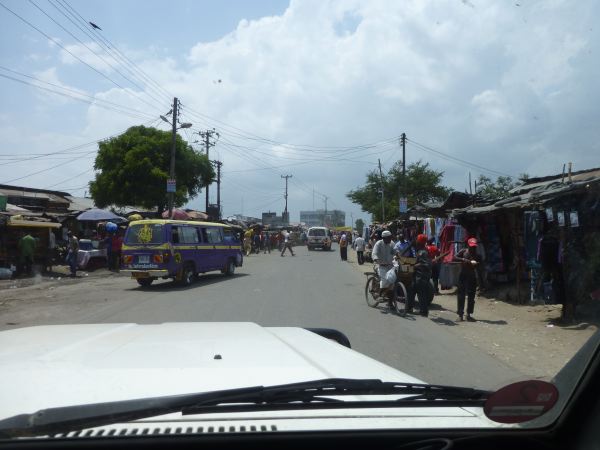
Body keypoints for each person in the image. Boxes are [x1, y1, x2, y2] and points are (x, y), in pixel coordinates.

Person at [453, 237, 481, 321]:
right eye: (472, 246)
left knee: (471, 296)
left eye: (474, 246)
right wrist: (464, 260)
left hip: (472, 276)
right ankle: (460, 314)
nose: (473, 248)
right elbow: (455, 257)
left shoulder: (477, 255)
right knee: (461, 295)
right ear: (468, 245)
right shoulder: (464, 251)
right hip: (463, 275)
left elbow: (480, 265)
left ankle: (468, 314)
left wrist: (476, 263)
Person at [408, 234, 433, 317]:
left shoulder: (422, 252)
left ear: (420, 242)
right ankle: (410, 308)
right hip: (420, 275)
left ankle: (423, 311)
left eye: (417, 240)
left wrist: (415, 266)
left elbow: (426, 264)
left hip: (421, 275)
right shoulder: (422, 250)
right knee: (413, 290)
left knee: (420, 292)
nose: (416, 242)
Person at [371, 230, 396, 309]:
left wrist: (398, 257)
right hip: (379, 265)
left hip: (389, 265)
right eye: (388, 238)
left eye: (390, 238)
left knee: (392, 282)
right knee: (385, 280)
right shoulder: (378, 243)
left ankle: (390, 302)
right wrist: (379, 262)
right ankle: (379, 295)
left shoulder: (392, 243)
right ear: (384, 238)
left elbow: (395, 252)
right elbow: (374, 254)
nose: (390, 239)